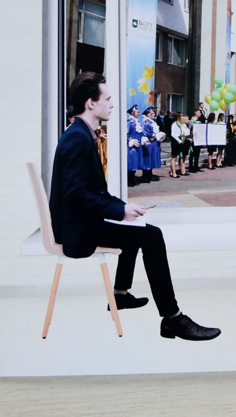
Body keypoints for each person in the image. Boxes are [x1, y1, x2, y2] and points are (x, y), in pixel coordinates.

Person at [50, 72, 221, 341]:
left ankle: (120, 294)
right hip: (76, 232)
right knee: (151, 235)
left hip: (79, 223)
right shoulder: (77, 138)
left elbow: (91, 192)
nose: (112, 104)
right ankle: (172, 318)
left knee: (135, 225)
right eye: (107, 99)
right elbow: (76, 195)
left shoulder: (80, 133)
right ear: (91, 103)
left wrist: (124, 207)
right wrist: (120, 211)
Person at [141, 107, 161, 183]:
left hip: (154, 142)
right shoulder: (146, 122)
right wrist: (155, 135)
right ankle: (145, 176)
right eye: (152, 113)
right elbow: (145, 133)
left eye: (154, 113)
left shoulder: (153, 122)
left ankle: (150, 174)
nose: (154, 115)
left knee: (152, 158)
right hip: (149, 142)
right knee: (147, 159)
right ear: (148, 114)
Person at [126, 105, 144, 187]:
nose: (139, 113)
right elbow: (125, 134)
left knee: (135, 163)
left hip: (137, 146)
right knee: (131, 163)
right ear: (132, 113)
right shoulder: (129, 122)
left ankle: (132, 179)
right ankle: (128, 180)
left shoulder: (138, 122)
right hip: (131, 147)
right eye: (137, 112)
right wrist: (131, 141)